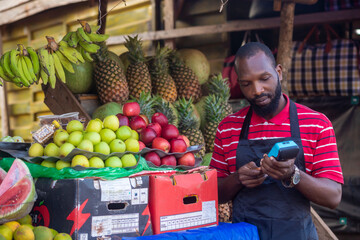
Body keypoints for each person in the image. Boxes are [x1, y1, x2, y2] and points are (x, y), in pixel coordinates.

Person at [210, 42, 343, 240]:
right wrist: (237, 179)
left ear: (278, 72)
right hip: (244, 235)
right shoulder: (228, 128)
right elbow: (213, 195)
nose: (257, 90)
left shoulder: (316, 124)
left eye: (264, 78)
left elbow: (333, 197)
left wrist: (293, 175)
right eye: (247, 84)